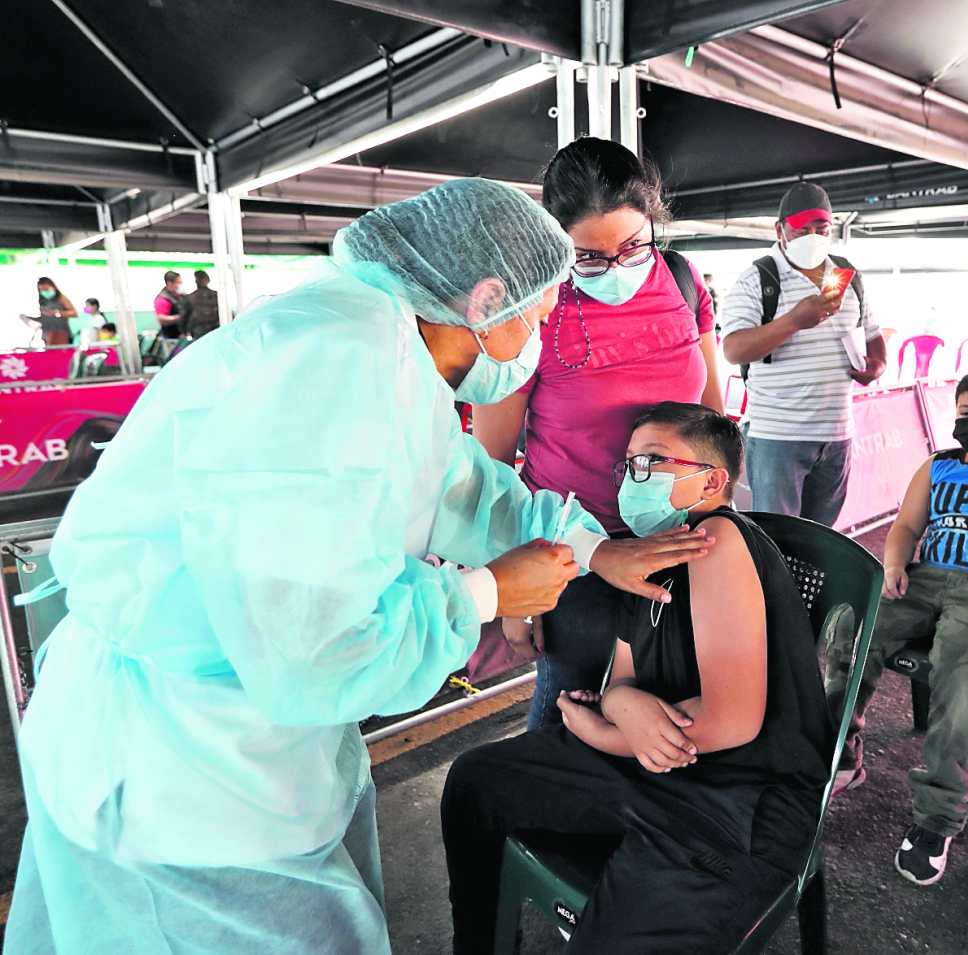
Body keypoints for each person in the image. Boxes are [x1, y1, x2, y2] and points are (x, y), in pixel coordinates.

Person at [5, 179, 710, 955]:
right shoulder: (337, 363)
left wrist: (595, 548)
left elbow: (469, 492)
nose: (539, 336)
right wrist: (487, 591)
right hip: (175, 767)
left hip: (241, 736)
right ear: (486, 300)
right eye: (538, 315)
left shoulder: (385, 352)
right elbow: (316, 647)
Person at [442, 402, 833, 953]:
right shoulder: (643, 560)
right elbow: (620, 682)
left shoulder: (716, 538)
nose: (633, 478)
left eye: (651, 462)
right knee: (476, 782)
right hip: (644, 770)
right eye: (628, 465)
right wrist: (621, 708)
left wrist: (600, 730)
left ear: (712, 480)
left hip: (735, 800)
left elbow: (730, 721)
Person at [472, 138, 723, 730]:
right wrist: (514, 590)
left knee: (674, 721)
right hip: (572, 558)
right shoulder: (532, 309)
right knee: (570, 719)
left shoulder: (683, 282)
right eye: (586, 258)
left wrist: (722, 537)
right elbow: (491, 467)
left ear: (653, 218)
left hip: (680, 545)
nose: (614, 269)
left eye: (633, 247)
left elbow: (713, 419)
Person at [824, 366, 968, 887]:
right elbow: (907, 525)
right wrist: (893, 564)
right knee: (851, 626)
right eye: (964, 413)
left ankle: (937, 818)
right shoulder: (939, 466)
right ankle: (842, 750)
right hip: (925, 580)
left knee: (964, 677)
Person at [721, 182, 887, 526]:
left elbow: (872, 333)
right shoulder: (759, 278)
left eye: (821, 229)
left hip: (837, 433)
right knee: (779, 537)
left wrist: (878, 364)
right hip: (778, 435)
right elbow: (734, 349)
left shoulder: (845, 275)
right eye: (801, 230)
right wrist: (794, 321)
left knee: (822, 536)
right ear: (780, 230)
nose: (812, 237)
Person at [33, 277, 76, 346]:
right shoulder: (43, 301)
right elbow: (45, 317)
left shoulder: (61, 298)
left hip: (60, 333)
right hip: (47, 333)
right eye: (41, 290)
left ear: (53, 287)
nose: (44, 292)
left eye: (46, 289)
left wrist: (56, 313)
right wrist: (32, 319)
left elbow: (73, 313)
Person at [184, 269, 221, 339]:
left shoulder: (190, 297)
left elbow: (184, 317)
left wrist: (184, 331)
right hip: (215, 331)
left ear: (196, 281)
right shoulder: (217, 295)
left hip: (199, 332)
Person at [154, 270, 186, 338]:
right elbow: (161, 319)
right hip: (170, 337)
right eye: (178, 282)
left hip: (181, 335)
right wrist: (180, 318)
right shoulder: (162, 299)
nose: (181, 285)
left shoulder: (180, 296)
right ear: (170, 283)